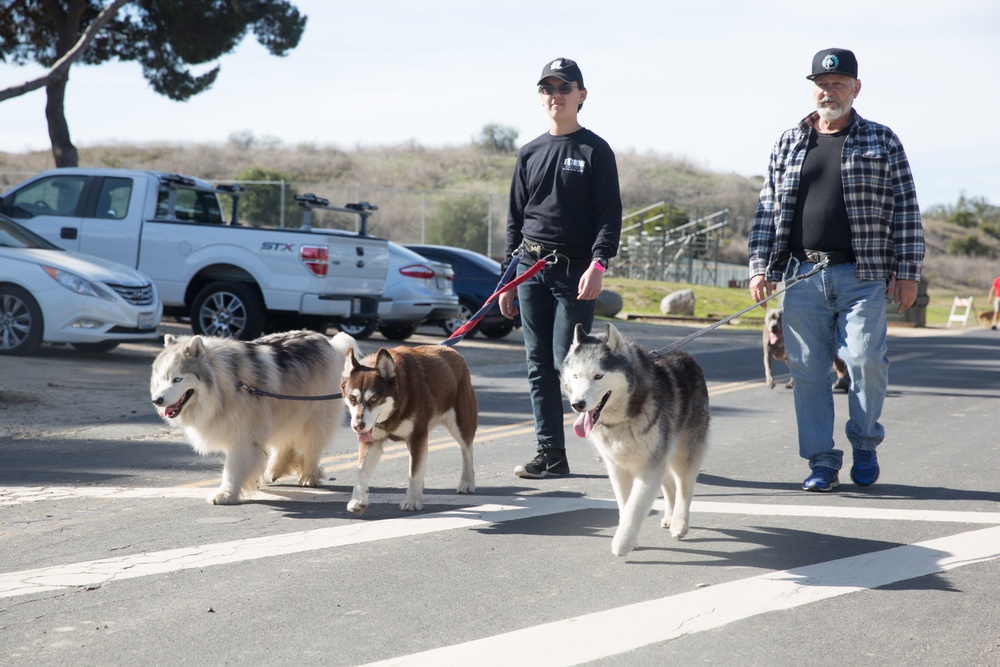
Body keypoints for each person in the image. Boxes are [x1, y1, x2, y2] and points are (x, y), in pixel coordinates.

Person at [748, 48, 925, 492]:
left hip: (862, 274)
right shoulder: (788, 141)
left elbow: (905, 209)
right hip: (802, 275)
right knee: (807, 372)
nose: (829, 91)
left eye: (839, 83)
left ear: (855, 89)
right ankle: (822, 461)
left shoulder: (881, 140)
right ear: (813, 89)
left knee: (865, 360)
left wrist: (908, 270)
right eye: (822, 84)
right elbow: (766, 210)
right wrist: (759, 267)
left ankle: (864, 443)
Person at [498, 57, 623, 479]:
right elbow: (516, 218)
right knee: (537, 366)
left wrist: (599, 263)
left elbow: (609, 214)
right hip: (531, 269)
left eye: (564, 88)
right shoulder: (529, 152)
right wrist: (508, 279)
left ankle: (608, 438)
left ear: (581, 96)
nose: (556, 96)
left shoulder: (595, 150)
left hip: (575, 273)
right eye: (548, 89)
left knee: (564, 365)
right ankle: (551, 452)